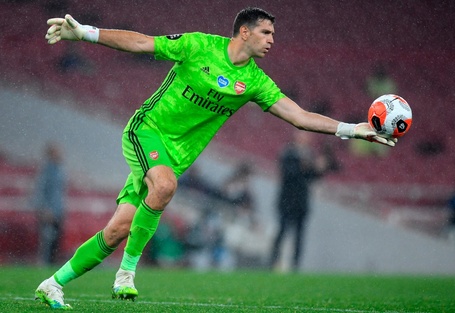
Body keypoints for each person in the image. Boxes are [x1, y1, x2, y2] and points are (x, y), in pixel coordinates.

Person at [36, 7, 396, 309]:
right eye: (266, 32)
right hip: (147, 131)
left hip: (175, 156)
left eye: (273, 34)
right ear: (244, 31)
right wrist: (85, 33)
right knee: (165, 185)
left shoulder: (255, 81)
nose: (272, 39)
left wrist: (353, 129)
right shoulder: (198, 45)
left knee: (118, 230)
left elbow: (299, 116)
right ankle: (126, 274)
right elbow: (143, 43)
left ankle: (53, 283)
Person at [269, 131, 330, 271]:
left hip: (301, 201)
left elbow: (312, 176)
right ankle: (273, 261)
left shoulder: (310, 154)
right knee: (282, 231)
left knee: (299, 235)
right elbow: (289, 173)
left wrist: (319, 168)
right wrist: (306, 167)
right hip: (287, 199)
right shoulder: (288, 153)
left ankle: (295, 265)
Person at [33, 143, 67, 266]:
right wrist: (45, 208)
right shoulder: (47, 170)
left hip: (58, 210)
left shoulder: (59, 169)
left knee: (55, 239)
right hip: (49, 211)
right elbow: (41, 190)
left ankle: (52, 264)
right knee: (47, 239)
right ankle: (45, 263)